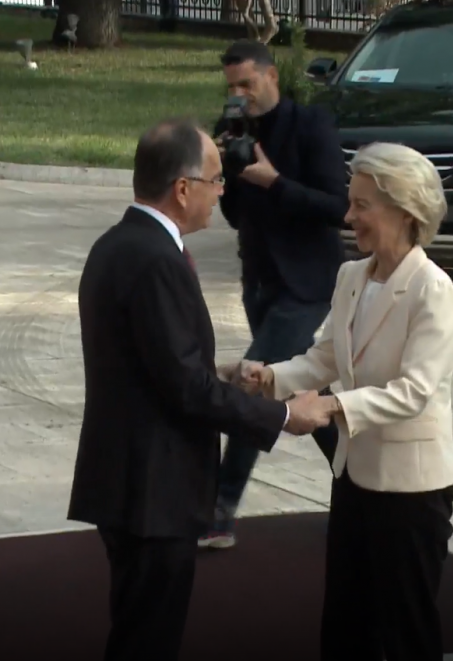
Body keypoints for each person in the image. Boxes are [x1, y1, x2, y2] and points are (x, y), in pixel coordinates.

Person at [66, 119, 334, 661]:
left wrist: (224, 374)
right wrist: (285, 417)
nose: (222, 191)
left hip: (129, 481)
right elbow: (185, 389)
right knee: (148, 640)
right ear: (183, 188)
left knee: (139, 631)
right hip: (153, 490)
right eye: (216, 180)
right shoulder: (155, 260)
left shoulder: (117, 244)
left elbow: (155, 364)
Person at [235, 142, 453, 661]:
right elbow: (326, 357)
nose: (348, 216)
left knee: (405, 634)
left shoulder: (432, 289)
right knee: (344, 626)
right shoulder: (351, 276)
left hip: (412, 491)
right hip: (355, 480)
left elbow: (415, 391)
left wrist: (332, 408)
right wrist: (269, 377)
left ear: (405, 213)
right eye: (350, 202)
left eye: (362, 205)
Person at [200, 39, 350, 549]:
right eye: (232, 86)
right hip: (259, 282)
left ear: (271, 77)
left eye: (247, 83)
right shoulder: (235, 130)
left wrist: (274, 181)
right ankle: (362, 481)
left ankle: (220, 510)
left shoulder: (311, 125)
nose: (240, 94)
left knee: (254, 384)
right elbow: (235, 215)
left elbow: (337, 207)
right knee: (290, 386)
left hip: (307, 284)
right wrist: (227, 172)